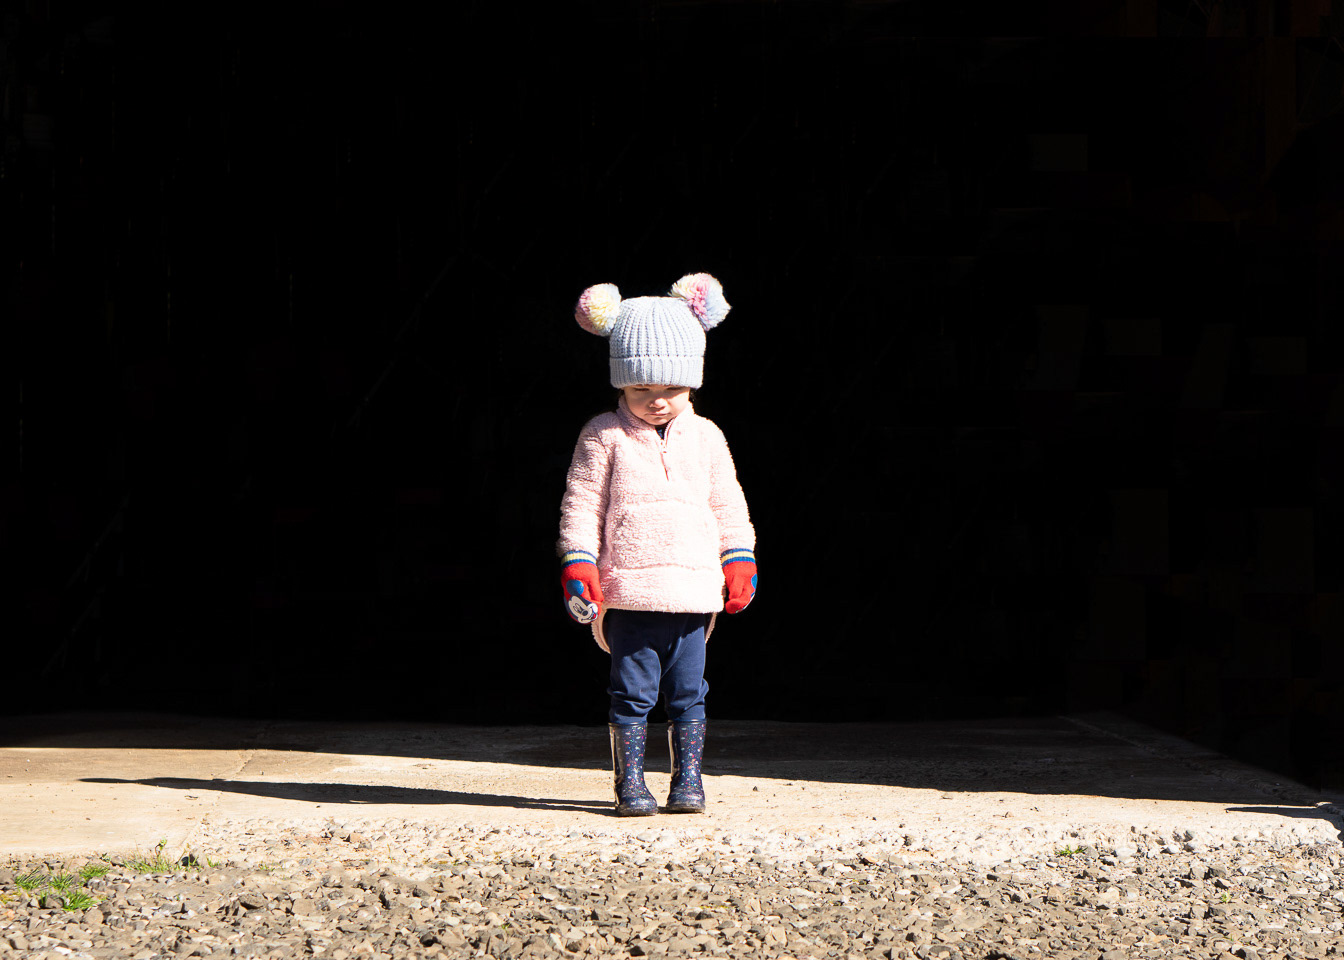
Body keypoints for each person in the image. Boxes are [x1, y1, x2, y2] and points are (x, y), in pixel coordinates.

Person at [557, 272, 757, 817]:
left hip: (693, 592)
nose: (657, 401)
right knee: (632, 693)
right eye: (640, 390)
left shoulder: (708, 437)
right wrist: (579, 564)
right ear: (620, 385)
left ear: (693, 382)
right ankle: (631, 786)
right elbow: (582, 504)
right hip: (630, 593)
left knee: (690, 692)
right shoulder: (603, 435)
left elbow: (728, 504)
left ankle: (688, 781)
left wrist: (738, 559)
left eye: (671, 388)